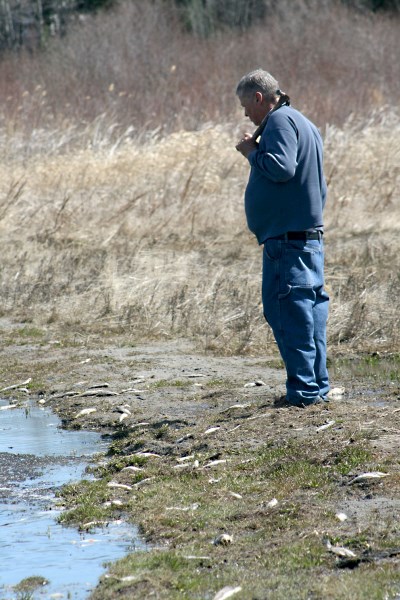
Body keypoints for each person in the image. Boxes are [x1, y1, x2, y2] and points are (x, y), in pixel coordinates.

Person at [235, 69, 329, 407]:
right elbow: (319, 186)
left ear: (259, 98)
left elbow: (281, 167)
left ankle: (304, 393)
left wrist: (250, 151)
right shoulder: (305, 124)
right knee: (309, 314)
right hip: (307, 238)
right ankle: (315, 388)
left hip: (288, 243)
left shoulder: (278, 122)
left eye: (246, 106)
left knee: (289, 314)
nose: (246, 114)